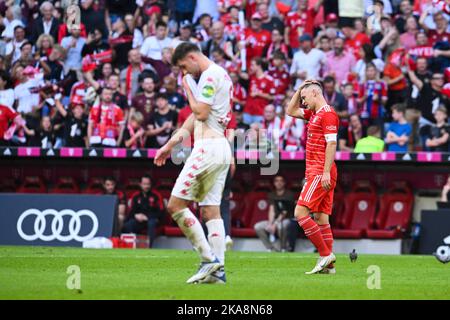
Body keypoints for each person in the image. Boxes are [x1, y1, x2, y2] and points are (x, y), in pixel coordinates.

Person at [154, 43, 232, 284]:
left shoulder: (208, 76)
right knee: (210, 211)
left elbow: (199, 112)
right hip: (219, 148)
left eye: (183, 67)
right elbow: (193, 118)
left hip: (208, 149)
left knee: (175, 206)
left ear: (191, 57)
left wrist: (188, 87)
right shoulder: (219, 74)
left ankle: (209, 260)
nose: (184, 72)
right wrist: (170, 145)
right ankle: (218, 273)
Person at [286, 80, 338, 274]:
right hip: (318, 171)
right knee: (321, 218)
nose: (303, 102)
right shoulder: (313, 114)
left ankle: (325, 255)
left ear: (315, 93)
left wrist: (324, 172)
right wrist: (299, 89)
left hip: (320, 171)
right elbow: (290, 111)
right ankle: (329, 267)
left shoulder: (328, 115)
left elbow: (331, 144)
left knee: (300, 213)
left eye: (305, 98)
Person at [254, 175, 295, 252]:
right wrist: (270, 223)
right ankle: (270, 249)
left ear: (284, 183)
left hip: (286, 219)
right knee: (258, 226)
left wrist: (275, 224)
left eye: (281, 181)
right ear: (274, 183)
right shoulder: (271, 194)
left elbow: (284, 212)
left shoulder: (289, 194)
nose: (278, 183)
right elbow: (271, 209)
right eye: (276, 181)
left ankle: (283, 249)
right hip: (274, 220)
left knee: (281, 226)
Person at [123, 174, 163, 248]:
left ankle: (148, 247)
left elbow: (161, 213)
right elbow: (132, 211)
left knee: (151, 223)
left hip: (152, 219)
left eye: (148, 184)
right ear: (140, 184)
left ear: (151, 184)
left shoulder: (156, 195)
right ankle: (131, 246)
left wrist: (147, 217)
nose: (146, 186)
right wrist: (135, 215)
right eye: (144, 184)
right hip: (139, 220)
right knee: (128, 225)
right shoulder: (135, 196)